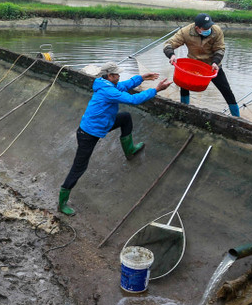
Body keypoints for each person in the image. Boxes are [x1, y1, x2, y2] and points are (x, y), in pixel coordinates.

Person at [58, 62, 171, 216]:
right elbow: (133, 100)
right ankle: (62, 202)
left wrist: (141, 78)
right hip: (88, 134)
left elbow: (124, 85)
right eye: (117, 74)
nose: (119, 76)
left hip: (103, 125)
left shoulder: (107, 85)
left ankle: (130, 150)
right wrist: (156, 89)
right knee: (79, 167)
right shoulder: (107, 90)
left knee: (125, 118)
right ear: (110, 76)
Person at [163, 13, 241, 117]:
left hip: (212, 66)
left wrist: (215, 62)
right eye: (205, 28)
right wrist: (171, 55)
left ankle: (237, 117)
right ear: (197, 28)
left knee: (226, 90)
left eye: (210, 26)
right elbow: (168, 44)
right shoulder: (186, 32)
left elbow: (220, 49)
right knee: (184, 85)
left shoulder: (216, 31)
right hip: (193, 65)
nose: (209, 28)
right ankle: (184, 110)